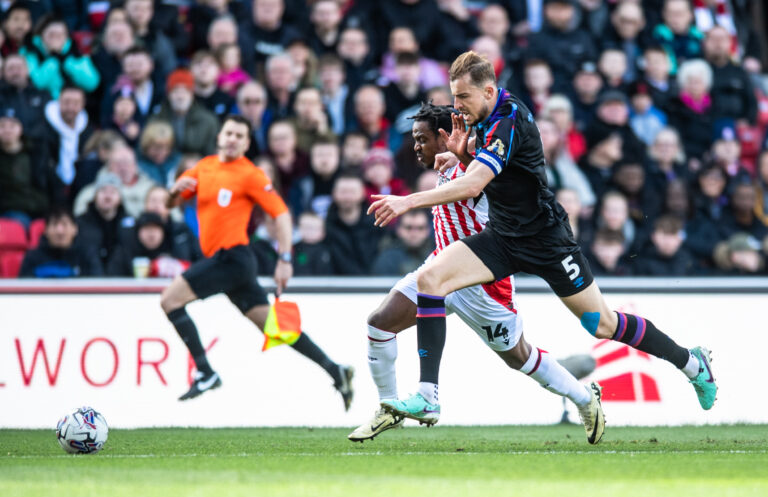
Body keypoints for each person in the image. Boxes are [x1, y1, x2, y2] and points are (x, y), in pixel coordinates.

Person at [369, 52, 718, 432]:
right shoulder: (481, 117)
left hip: (547, 240)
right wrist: (462, 152)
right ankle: (428, 395)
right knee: (430, 280)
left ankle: (692, 362)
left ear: (488, 90)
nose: (457, 107)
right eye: (454, 98)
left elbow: (473, 184)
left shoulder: (508, 121)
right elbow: (493, 168)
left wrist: (408, 201)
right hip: (502, 236)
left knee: (602, 324)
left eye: (464, 98)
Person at [350, 103, 604, 443]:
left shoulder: (479, 168)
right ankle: (391, 406)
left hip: (483, 281)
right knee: (379, 323)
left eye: (421, 138)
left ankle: (585, 399)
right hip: (440, 269)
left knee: (519, 357)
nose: (416, 146)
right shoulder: (448, 163)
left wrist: (412, 197)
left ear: (444, 137)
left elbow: (478, 185)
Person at [160, 114, 354, 408]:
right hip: (226, 262)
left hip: (233, 258)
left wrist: (285, 258)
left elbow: (282, 215)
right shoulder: (204, 167)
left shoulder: (249, 175)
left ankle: (205, 372)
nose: (232, 139)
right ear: (219, 136)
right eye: (229, 133)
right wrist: (173, 192)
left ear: (247, 143)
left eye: (240, 136)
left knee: (169, 301)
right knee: (276, 328)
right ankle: (335, 369)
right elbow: (171, 204)